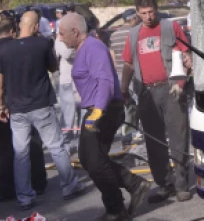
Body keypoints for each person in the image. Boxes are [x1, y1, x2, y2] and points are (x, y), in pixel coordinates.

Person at [59, 13, 149, 221]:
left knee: (95, 162)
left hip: (104, 110)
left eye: (63, 34)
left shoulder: (93, 47)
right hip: (96, 110)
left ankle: (116, 209)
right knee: (89, 159)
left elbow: (106, 81)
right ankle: (133, 187)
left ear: (75, 32)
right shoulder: (84, 48)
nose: (60, 38)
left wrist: (98, 113)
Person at [0, 10, 85, 209]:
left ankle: (25, 197)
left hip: (17, 109)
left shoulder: (4, 50)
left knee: (21, 154)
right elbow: (53, 68)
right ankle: (69, 186)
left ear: (19, 27)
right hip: (42, 105)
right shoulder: (43, 44)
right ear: (36, 27)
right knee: (56, 147)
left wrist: (2, 105)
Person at [120, 0, 193, 203]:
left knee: (178, 138)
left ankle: (181, 185)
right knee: (154, 142)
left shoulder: (171, 28)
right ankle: (165, 184)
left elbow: (186, 55)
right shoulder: (133, 35)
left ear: (156, 9)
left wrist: (182, 82)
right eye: (143, 13)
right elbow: (128, 64)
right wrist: (123, 90)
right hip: (146, 93)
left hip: (171, 90)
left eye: (151, 11)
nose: (148, 16)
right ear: (137, 13)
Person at [0, 17, 47, 203]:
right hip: (23, 100)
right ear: (13, 31)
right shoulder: (21, 48)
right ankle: (38, 183)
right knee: (31, 143)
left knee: (4, 150)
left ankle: (7, 189)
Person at [55, 33, 79, 155]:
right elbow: (66, 54)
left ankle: (82, 145)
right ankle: (66, 145)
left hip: (81, 81)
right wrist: (76, 48)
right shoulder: (59, 40)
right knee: (67, 116)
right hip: (67, 82)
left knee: (83, 115)